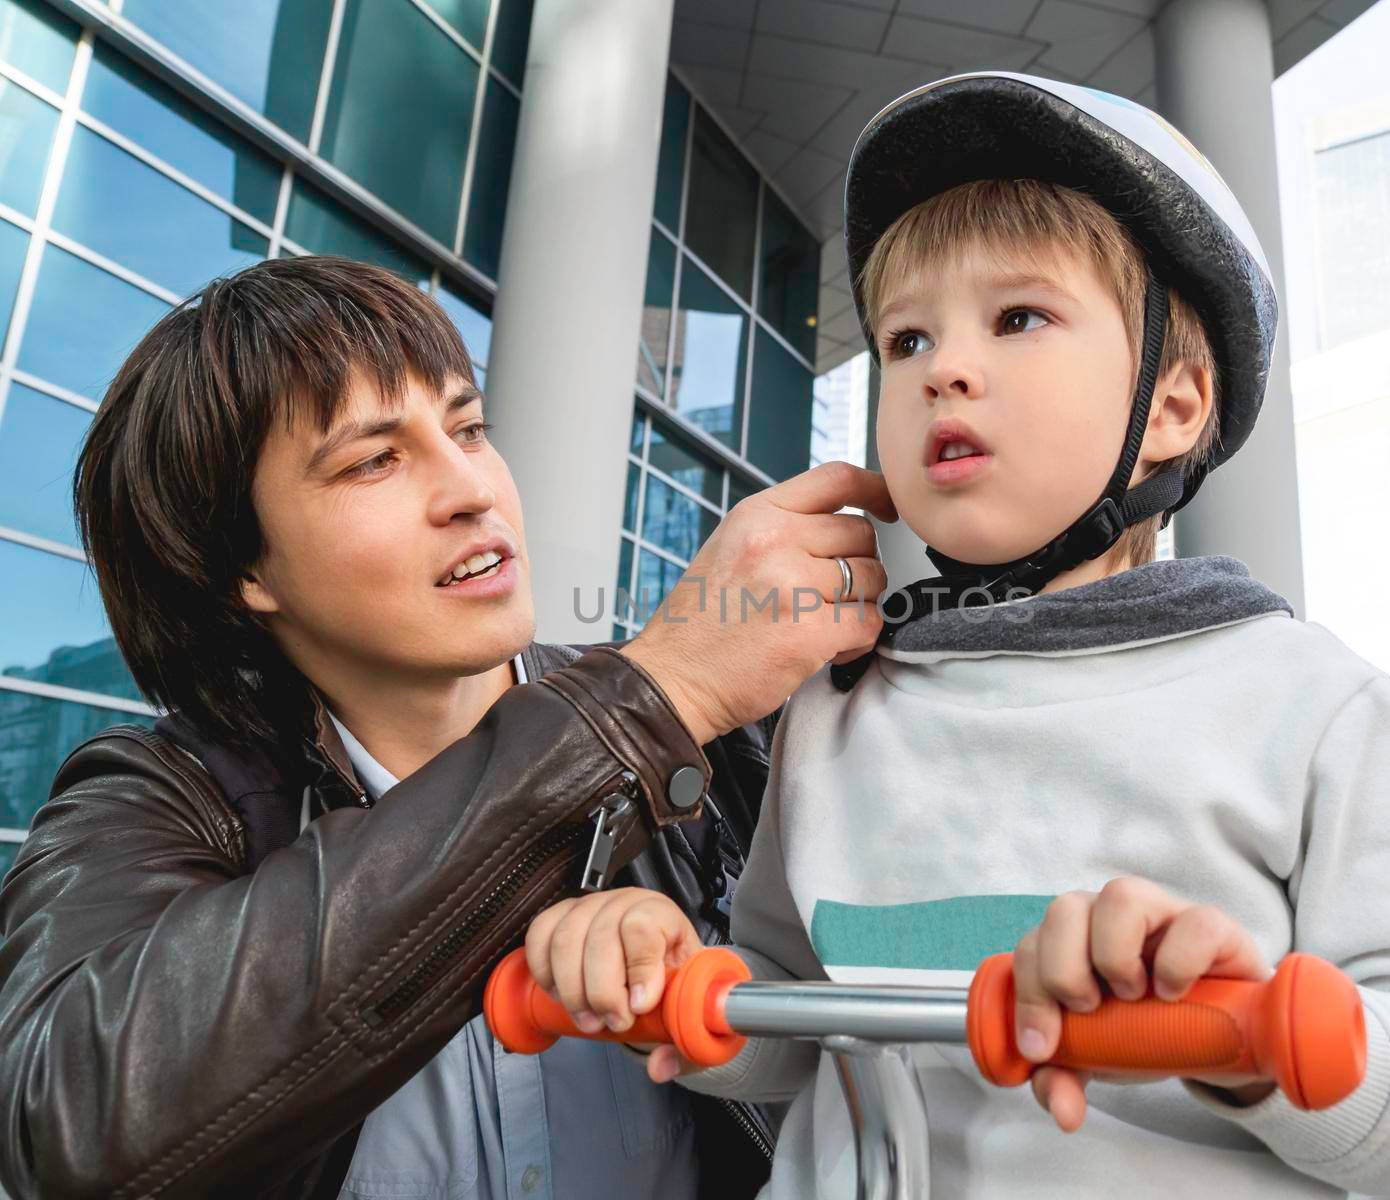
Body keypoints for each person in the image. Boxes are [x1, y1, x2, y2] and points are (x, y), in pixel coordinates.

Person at [519, 74, 1390, 1197]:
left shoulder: (1303, 702)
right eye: (906, 339)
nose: (943, 368)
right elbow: (786, 1020)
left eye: (1017, 318)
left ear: (1172, 406)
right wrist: (662, 979)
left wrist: (1260, 1041)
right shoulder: (839, 707)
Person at [0, 255, 895, 1199]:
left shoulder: (733, 748)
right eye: (373, 459)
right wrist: (650, 700)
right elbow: (68, 1123)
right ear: (244, 570)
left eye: (468, 427)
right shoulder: (167, 800)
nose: (469, 488)